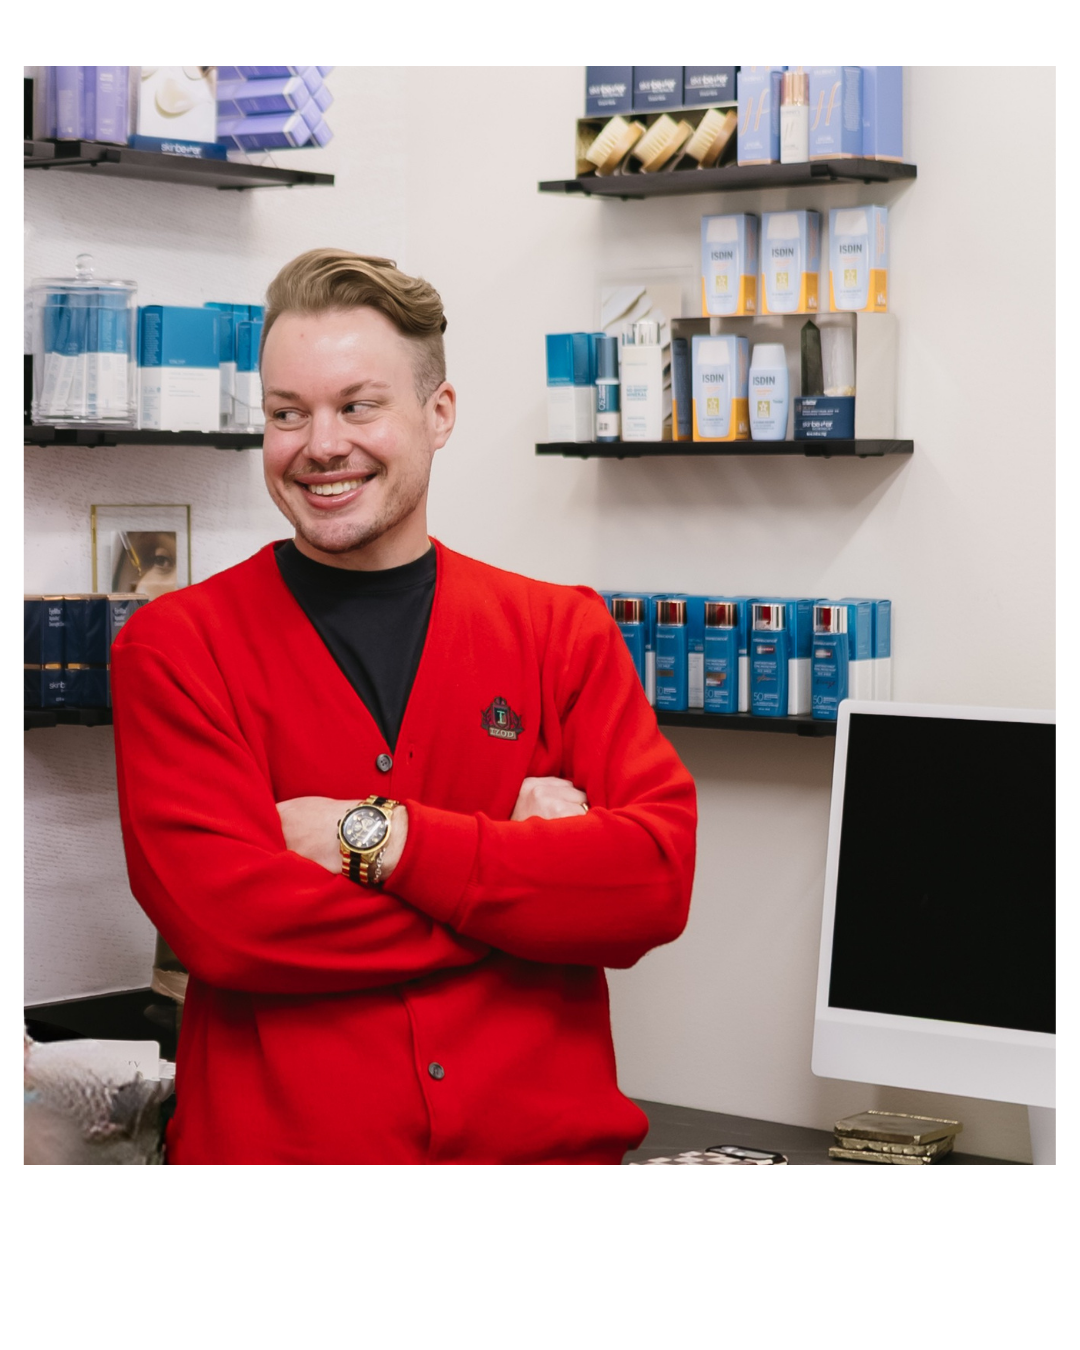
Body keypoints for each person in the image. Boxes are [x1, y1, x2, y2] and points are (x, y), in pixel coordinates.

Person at [111, 248, 697, 1166]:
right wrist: (521, 886)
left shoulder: (561, 632)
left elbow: (653, 884)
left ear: (439, 414)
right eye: (286, 414)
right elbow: (231, 930)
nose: (321, 445)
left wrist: (375, 839)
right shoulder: (179, 650)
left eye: (358, 405)